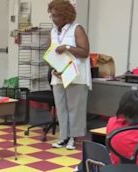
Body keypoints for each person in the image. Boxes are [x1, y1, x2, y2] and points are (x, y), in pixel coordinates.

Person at [47, 0, 92, 150]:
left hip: (75, 75)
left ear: (66, 15)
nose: (54, 19)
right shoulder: (53, 31)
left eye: (57, 16)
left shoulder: (77, 29)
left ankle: (74, 138)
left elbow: (85, 52)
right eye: (52, 15)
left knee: (74, 108)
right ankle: (63, 136)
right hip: (58, 74)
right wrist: (53, 68)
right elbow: (50, 52)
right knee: (61, 107)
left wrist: (66, 47)